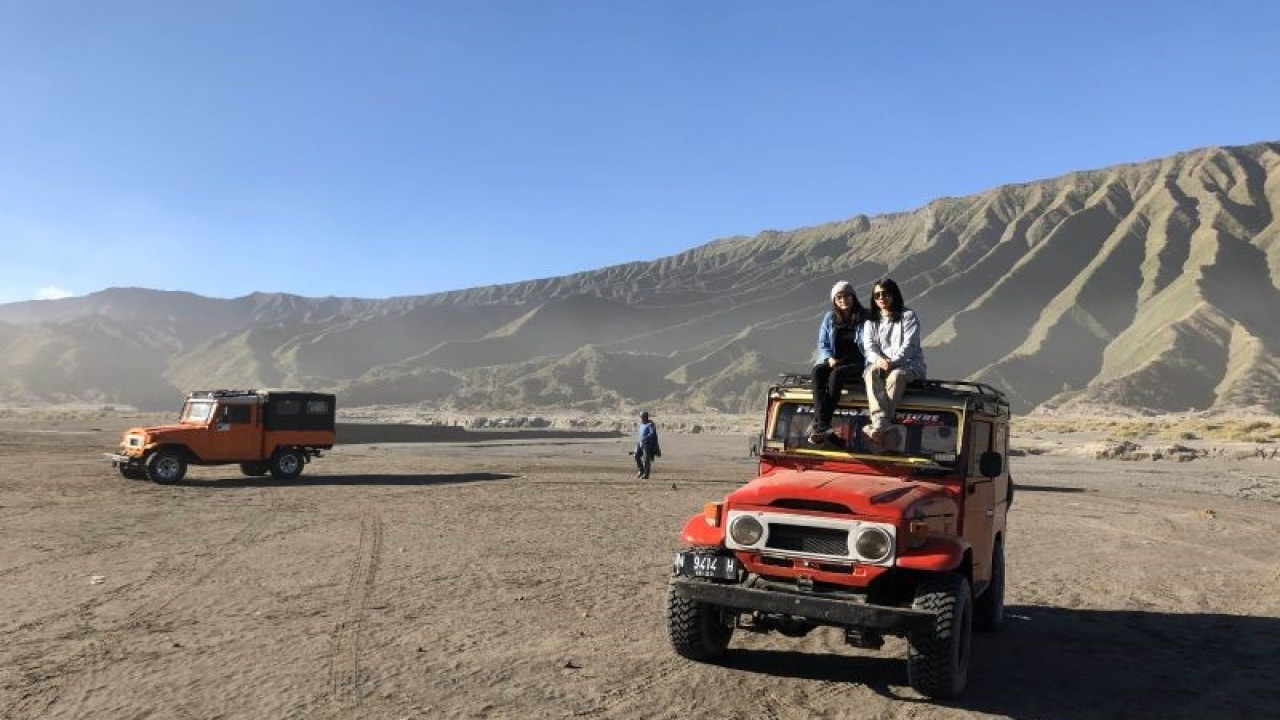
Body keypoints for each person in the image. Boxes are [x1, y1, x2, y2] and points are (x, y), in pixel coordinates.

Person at [862, 278, 926, 441]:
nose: (881, 298)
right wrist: (880, 361)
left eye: (885, 294)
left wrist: (892, 362)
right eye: (877, 295)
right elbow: (869, 348)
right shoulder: (870, 321)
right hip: (880, 365)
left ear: (894, 295)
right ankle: (881, 420)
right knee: (870, 373)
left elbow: (910, 345)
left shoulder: (908, 316)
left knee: (896, 376)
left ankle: (879, 423)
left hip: (909, 365)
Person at [807, 281, 868, 444]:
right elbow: (823, 343)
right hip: (835, 359)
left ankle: (821, 424)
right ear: (834, 300)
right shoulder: (830, 317)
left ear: (853, 297)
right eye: (839, 297)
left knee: (836, 375)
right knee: (817, 372)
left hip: (858, 361)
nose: (843, 300)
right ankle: (823, 424)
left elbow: (870, 343)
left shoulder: (865, 317)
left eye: (847, 296)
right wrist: (829, 358)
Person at [634, 411, 661, 478]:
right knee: (636, 456)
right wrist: (640, 440)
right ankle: (641, 470)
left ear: (645, 417)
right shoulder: (641, 424)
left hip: (647, 444)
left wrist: (645, 438)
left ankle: (646, 474)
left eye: (642, 417)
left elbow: (652, 434)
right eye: (641, 417)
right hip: (640, 442)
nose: (641, 418)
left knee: (646, 459)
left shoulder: (650, 425)